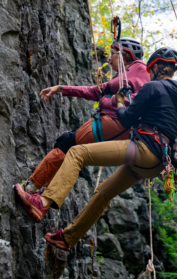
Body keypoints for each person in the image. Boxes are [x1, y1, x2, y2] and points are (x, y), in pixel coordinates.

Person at [14, 47, 177, 252]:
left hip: (144, 150)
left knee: (77, 153)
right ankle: (68, 238)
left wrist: (118, 101)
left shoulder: (152, 88)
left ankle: (42, 202)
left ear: (156, 67)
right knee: (103, 192)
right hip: (158, 164)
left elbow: (126, 118)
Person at [22, 38, 150, 193]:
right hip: (119, 129)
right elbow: (94, 91)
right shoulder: (126, 75)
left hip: (114, 122)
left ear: (124, 55)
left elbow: (133, 99)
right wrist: (61, 88)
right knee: (70, 148)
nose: (109, 58)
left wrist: (107, 100)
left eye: (113, 53)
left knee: (66, 142)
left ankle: (32, 187)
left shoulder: (140, 69)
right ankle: (43, 193)